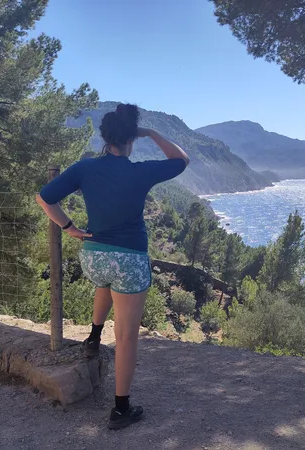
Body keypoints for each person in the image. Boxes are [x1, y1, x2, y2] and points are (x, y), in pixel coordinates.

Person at [36, 103, 189, 430]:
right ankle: (121, 409)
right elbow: (181, 160)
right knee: (126, 335)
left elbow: (44, 198)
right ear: (131, 139)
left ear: (105, 138)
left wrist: (69, 228)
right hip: (129, 260)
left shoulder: (85, 167)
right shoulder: (139, 171)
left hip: (93, 256)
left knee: (104, 283)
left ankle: (92, 337)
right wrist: (151, 132)